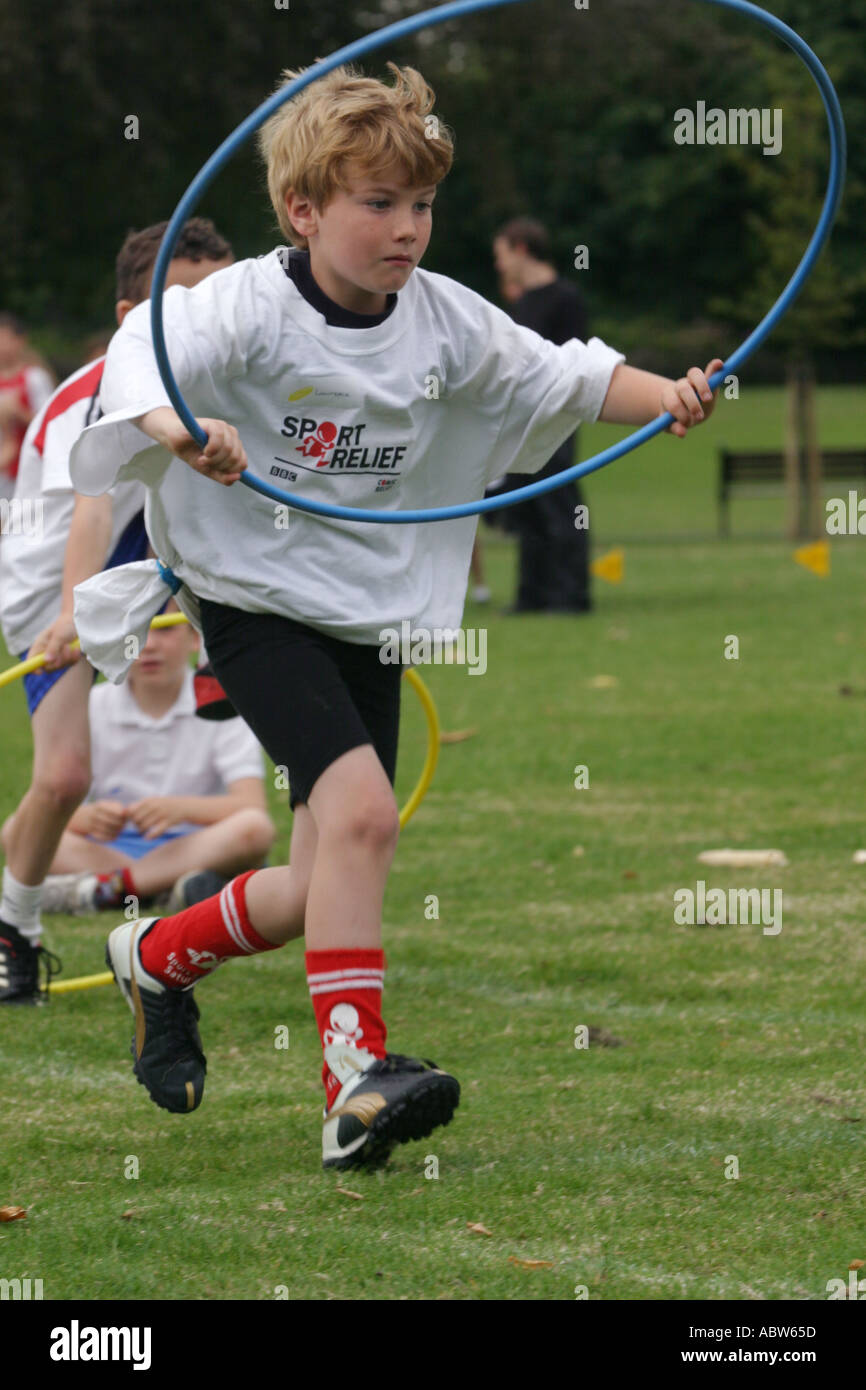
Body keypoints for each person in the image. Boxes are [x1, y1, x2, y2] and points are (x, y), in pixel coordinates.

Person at [68, 62, 722, 1171]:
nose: (407, 229)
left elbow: (556, 374)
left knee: (322, 870)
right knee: (367, 816)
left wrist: (665, 397)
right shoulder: (244, 308)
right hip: (253, 598)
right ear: (305, 209)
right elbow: (145, 355)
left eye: (421, 205)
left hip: (363, 608)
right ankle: (352, 1085)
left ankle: (157, 956)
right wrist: (183, 432)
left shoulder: (443, 322)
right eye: (377, 204)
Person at [0, 218, 234, 1005]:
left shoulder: (211, 379)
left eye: (219, 300)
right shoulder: (89, 395)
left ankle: (221, 674)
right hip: (48, 585)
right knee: (64, 776)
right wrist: (71, 615)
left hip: (148, 562)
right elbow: (89, 520)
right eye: (184, 304)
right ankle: (15, 926)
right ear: (133, 317)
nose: (206, 321)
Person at [4, 602, 275, 915]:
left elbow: (250, 804)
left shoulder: (221, 705)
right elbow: (52, 797)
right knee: (16, 831)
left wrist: (181, 809)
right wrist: (86, 818)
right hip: (113, 848)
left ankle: (105, 890)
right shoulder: (92, 704)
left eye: (164, 630)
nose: (147, 647)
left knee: (254, 829)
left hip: (191, 843)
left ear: (195, 638)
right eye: (135, 633)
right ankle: (166, 887)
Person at [493, 217, 593, 613]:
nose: (499, 265)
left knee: (558, 507)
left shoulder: (565, 298)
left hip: (555, 419)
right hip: (520, 422)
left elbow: (576, 362)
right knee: (527, 509)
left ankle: (571, 596)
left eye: (501, 255)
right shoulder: (523, 303)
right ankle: (531, 596)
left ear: (520, 248)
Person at [0, 313, 54, 500]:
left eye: (6, 339)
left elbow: (50, 422)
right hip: (3, 470)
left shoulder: (34, 377)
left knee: (24, 525)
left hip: (28, 469)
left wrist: (19, 413)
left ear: (20, 341)